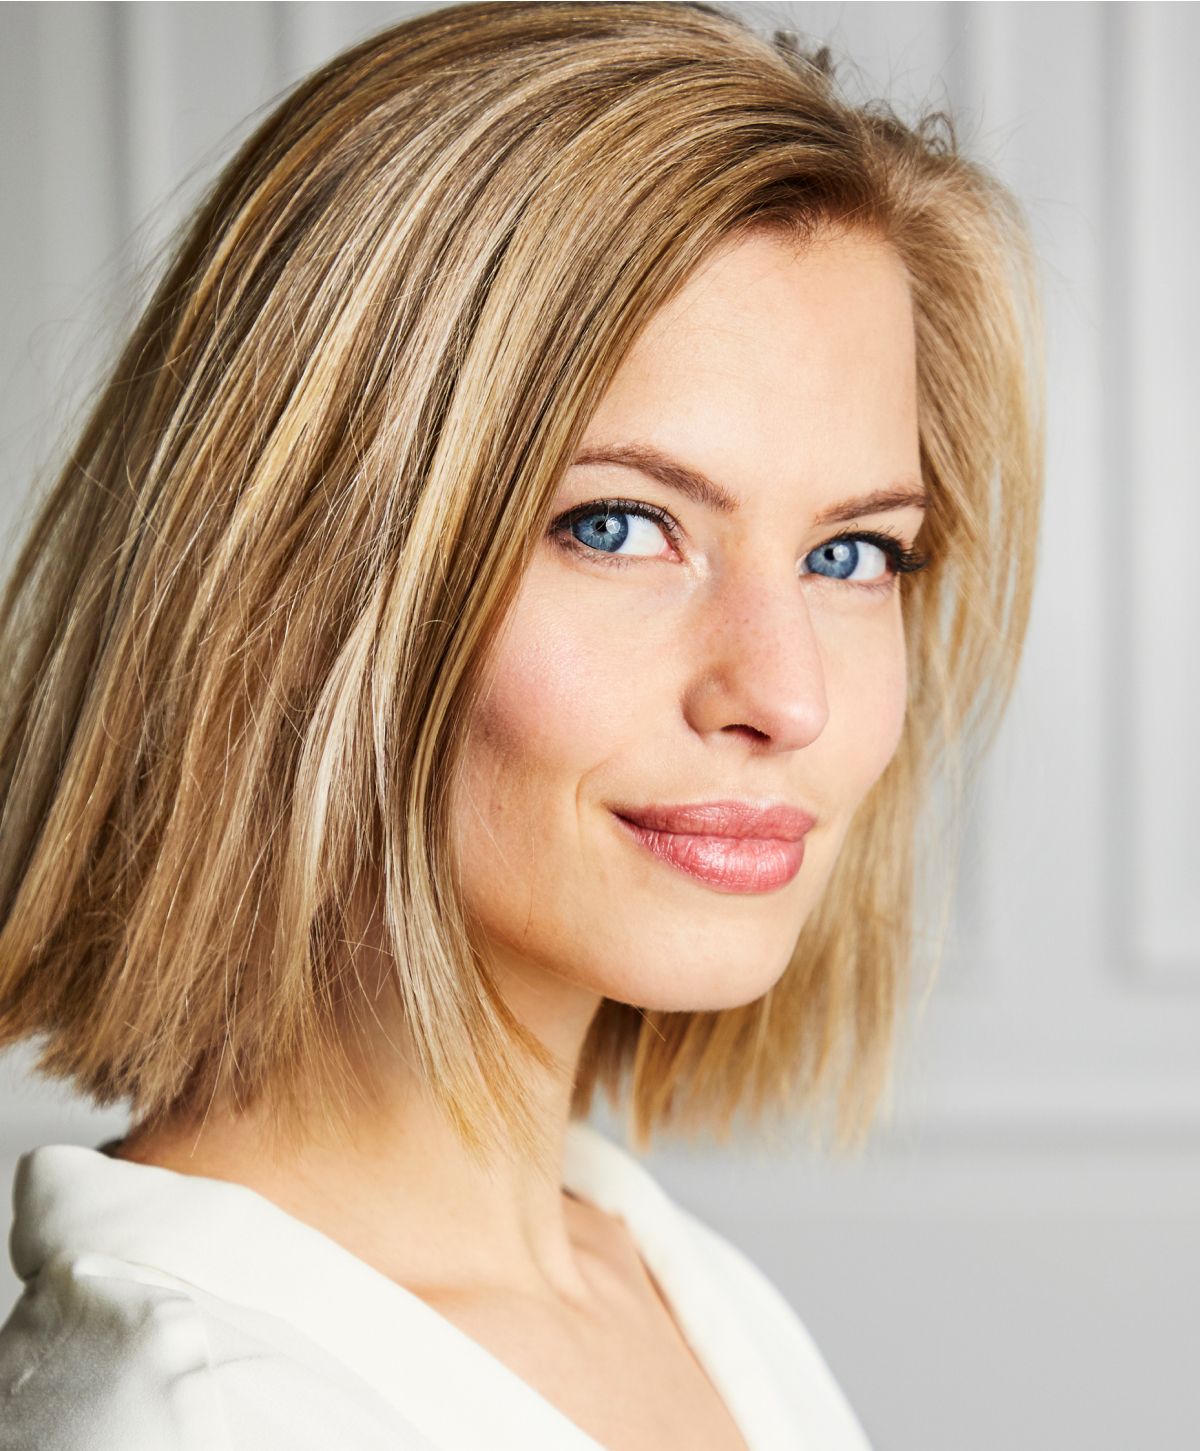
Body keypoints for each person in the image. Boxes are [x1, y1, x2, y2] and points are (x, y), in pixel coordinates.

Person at [0, 3, 1043, 1448]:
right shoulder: (202, 1418)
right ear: (298, 583)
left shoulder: (661, 1279)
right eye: (618, 525)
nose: (789, 696)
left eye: (852, 554)